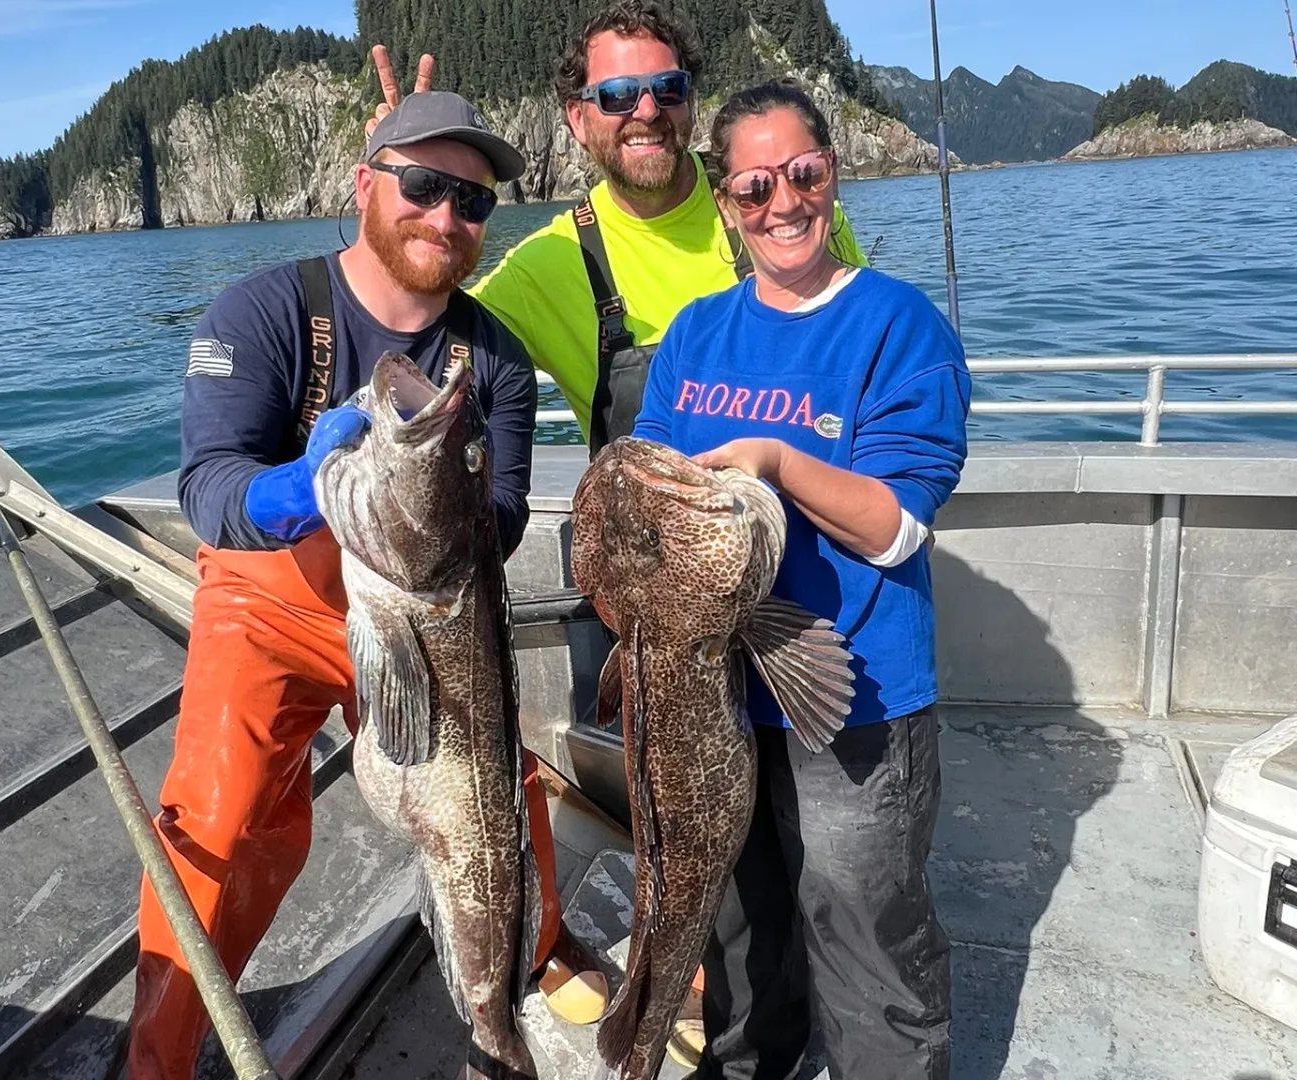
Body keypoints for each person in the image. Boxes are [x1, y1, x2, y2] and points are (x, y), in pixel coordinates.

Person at [364, 1, 870, 1053]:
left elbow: (853, 347)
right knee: (700, 850)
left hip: (798, 579)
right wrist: (400, 182)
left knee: (825, 842)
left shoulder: (768, 207)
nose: (644, 110)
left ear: (690, 99)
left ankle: (815, 1012)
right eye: (615, 94)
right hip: (655, 606)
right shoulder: (553, 263)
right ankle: (728, 1033)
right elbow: (418, 314)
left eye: (666, 89)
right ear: (577, 118)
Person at [119, 91, 543, 1080]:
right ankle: (155, 1059)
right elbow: (207, 486)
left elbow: (507, 520)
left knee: (503, 807)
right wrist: (299, 492)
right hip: (271, 602)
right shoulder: (261, 311)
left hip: (425, 601)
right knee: (220, 823)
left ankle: (505, 1012)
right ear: (365, 186)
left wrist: (416, 489)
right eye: (425, 187)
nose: (447, 218)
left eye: (472, 203)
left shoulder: (499, 362)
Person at [630, 80, 971, 1080]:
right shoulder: (694, 332)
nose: (782, 203)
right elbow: (651, 479)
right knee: (739, 923)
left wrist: (776, 461)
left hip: (853, 690)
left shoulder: (899, 326)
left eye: (804, 174)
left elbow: (898, 526)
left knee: (866, 929)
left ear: (833, 173)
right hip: (718, 693)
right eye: (752, 185)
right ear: (725, 200)